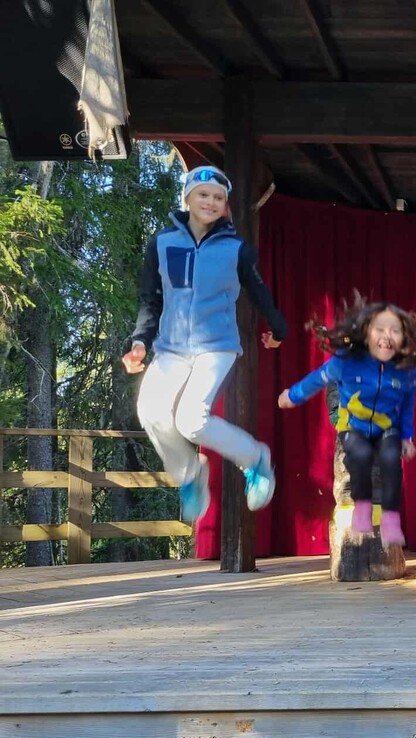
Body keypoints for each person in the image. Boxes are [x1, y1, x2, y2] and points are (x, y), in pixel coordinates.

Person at [121, 165, 286, 523]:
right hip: (171, 347)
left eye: (218, 197)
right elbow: (150, 299)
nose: (210, 202)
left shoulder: (236, 249)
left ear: (225, 206)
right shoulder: (162, 243)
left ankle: (255, 458)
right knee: (150, 410)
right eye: (203, 194)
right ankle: (190, 474)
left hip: (217, 345)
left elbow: (259, 292)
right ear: (187, 198)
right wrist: (140, 342)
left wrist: (278, 328)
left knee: (191, 420)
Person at [278, 301, 416, 547]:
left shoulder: (405, 370)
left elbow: (408, 404)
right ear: (365, 333)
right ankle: (362, 507)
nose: (387, 337)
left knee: (391, 458)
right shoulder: (346, 361)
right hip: (354, 425)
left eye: (395, 331)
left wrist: (407, 437)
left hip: (386, 426)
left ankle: (390, 518)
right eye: (380, 329)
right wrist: (292, 396)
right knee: (361, 455)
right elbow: (316, 380)